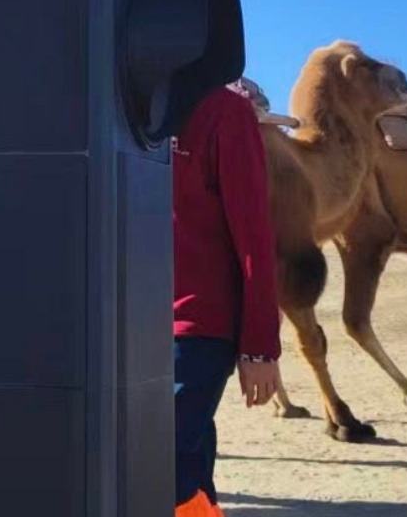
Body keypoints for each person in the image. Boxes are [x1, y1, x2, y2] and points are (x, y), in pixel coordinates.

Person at [173, 80, 283, 517]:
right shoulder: (109, 105)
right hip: (121, 317)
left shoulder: (223, 111)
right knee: (188, 462)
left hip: (198, 323)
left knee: (159, 460)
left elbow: (253, 232)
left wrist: (259, 347)